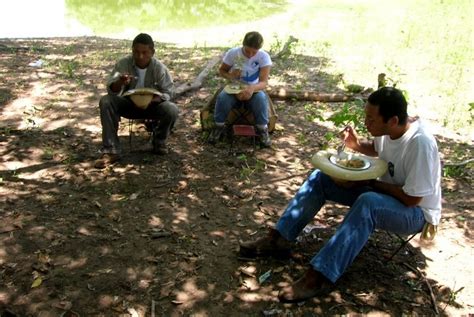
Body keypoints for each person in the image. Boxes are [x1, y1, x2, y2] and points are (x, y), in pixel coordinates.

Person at [239, 87, 442, 303]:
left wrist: (370, 183)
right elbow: (378, 148)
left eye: (371, 119)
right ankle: (280, 238)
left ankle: (320, 275)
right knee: (321, 177)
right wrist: (356, 145)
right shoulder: (391, 130)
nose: (366, 123)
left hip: (415, 213)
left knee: (368, 202)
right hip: (387, 194)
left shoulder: (420, 143)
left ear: (392, 120)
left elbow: (412, 199)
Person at [94, 33, 178, 169]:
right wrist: (120, 82)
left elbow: (169, 92)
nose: (140, 56)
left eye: (145, 52)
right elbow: (111, 89)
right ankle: (111, 150)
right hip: (128, 105)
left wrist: (154, 99)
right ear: (132, 50)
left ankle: (159, 142)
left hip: (152, 106)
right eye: (136, 52)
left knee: (171, 109)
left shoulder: (159, 68)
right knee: (106, 101)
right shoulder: (122, 64)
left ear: (152, 52)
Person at [207, 31, 273, 147]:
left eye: (254, 52)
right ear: (243, 45)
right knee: (223, 97)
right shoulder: (234, 53)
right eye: (247, 51)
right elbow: (222, 71)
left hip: (254, 87)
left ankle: (262, 130)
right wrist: (231, 76)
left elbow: (264, 82)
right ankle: (218, 127)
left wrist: (251, 88)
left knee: (261, 99)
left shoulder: (264, 57)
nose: (250, 55)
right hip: (235, 86)